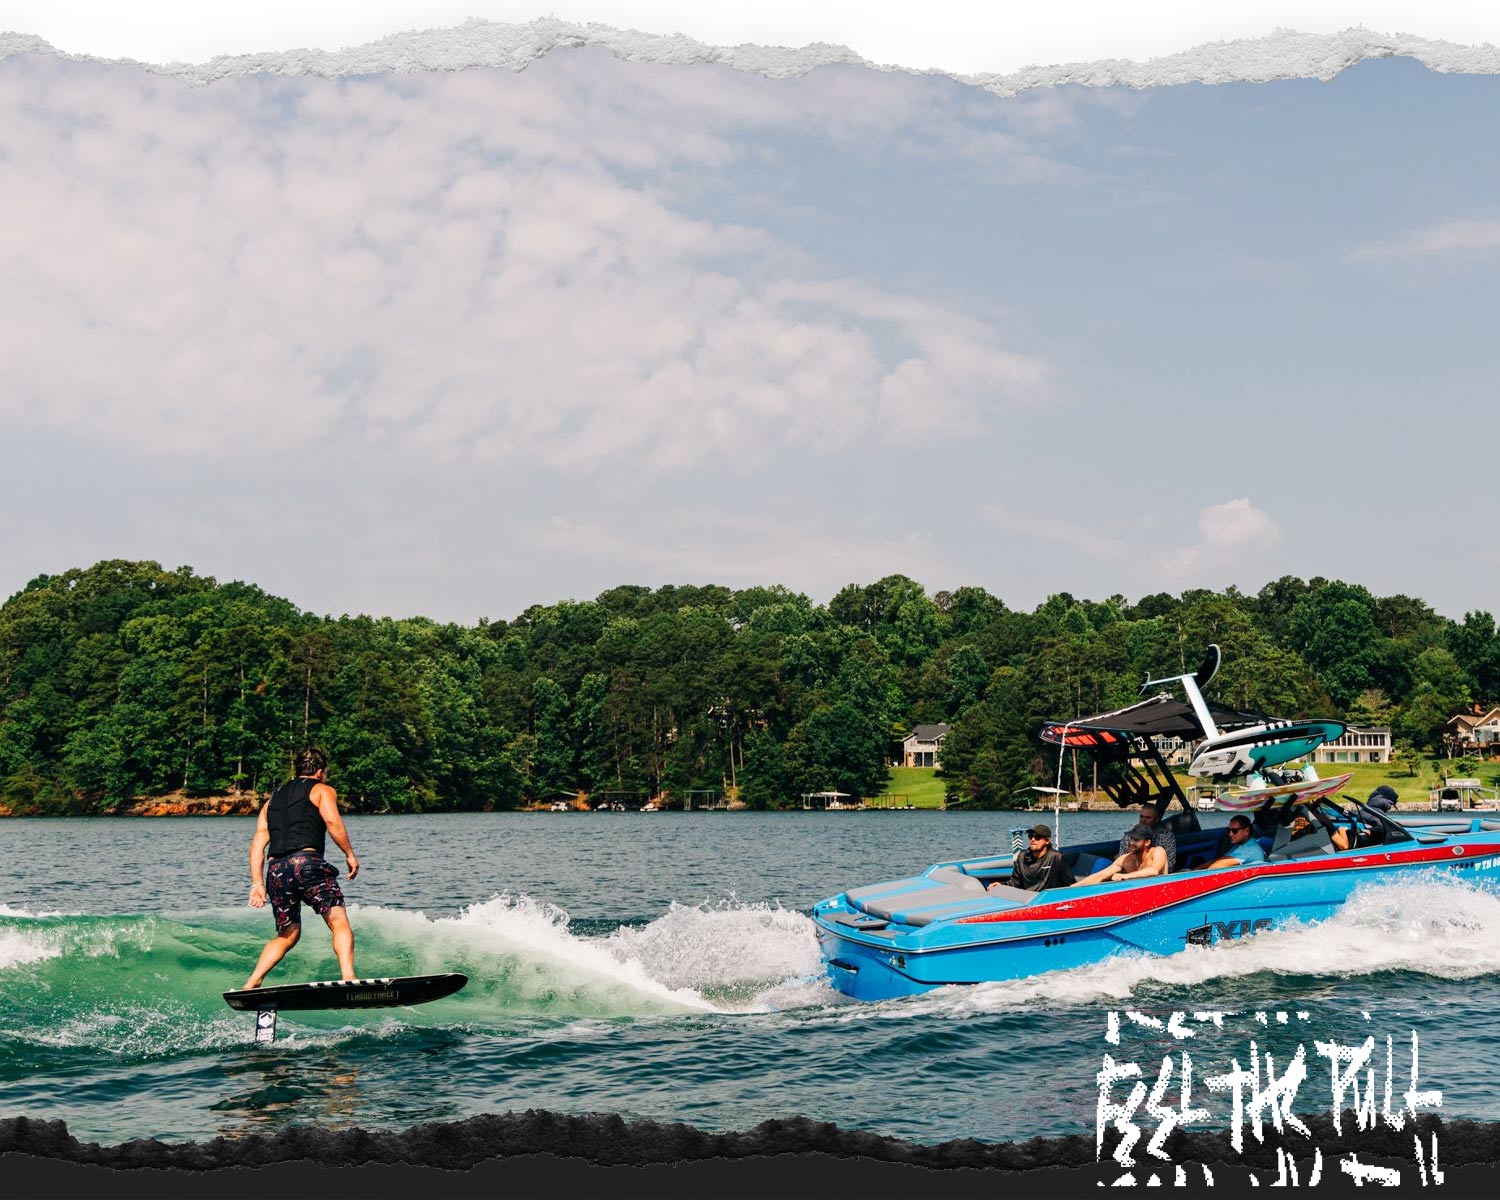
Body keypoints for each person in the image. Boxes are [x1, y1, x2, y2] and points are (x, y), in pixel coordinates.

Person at [244, 748, 362, 989]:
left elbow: (258, 843)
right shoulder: (322, 790)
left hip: (276, 871)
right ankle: (348, 977)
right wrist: (349, 854)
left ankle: (252, 982)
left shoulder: (272, 801)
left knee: (287, 935)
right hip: (307, 865)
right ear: (320, 772)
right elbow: (332, 821)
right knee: (338, 921)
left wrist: (257, 884)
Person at [992, 824, 1075, 893]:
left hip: (1046, 901)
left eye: (1037, 837)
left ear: (1047, 841)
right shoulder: (1021, 857)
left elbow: (1070, 885)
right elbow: (1015, 882)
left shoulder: (1057, 857)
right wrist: (1001, 885)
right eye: (1030, 836)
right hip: (1027, 900)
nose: (1033, 839)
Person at [1076, 824, 1168, 885]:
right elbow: (1100, 876)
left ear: (1147, 842)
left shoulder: (1158, 851)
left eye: (1136, 840)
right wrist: (1074, 886)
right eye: (1131, 838)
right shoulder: (1125, 859)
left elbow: (1153, 871)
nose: (1131, 842)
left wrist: (1125, 876)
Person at [1119, 804, 1176, 869]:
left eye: (1148, 817)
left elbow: (1170, 864)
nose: (1143, 820)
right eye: (1141, 817)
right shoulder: (1128, 836)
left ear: (1157, 819)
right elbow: (1121, 860)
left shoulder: (1166, 837)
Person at [1202, 815, 1267, 869]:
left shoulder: (1250, 849)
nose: (1230, 834)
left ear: (1246, 831)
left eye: (1234, 831)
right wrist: (1197, 869)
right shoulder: (1242, 844)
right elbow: (1222, 859)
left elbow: (1214, 867)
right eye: (1229, 830)